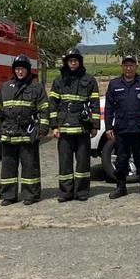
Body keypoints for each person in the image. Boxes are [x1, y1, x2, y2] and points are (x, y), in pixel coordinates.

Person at [0, 54, 49, 205]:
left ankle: (31, 195)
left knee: (30, 166)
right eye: (18, 69)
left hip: (28, 134)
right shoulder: (5, 87)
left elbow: (44, 109)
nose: (20, 72)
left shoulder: (36, 88)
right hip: (9, 133)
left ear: (28, 70)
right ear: (14, 71)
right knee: (8, 166)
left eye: (23, 69)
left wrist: (42, 129)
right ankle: (8, 195)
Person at [48, 48, 101, 202]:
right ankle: (65, 193)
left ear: (79, 62)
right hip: (64, 129)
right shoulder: (58, 81)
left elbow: (95, 104)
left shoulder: (89, 80)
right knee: (65, 163)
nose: (73, 63)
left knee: (83, 162)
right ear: (66, 62)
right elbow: (53, 105)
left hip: (82, 128)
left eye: (75, 60)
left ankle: (82, 191)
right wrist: (54, 127)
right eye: (70, 61)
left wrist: (95, 125)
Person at [103, 54, 140, 199]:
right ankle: (121, 187)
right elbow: (109, 108)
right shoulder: (114, 84)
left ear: (136, 66)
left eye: (131, 65)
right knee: (121, 158)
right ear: (122, 67)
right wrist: (108, 127)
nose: (128, 68)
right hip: (121, 129)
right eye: (126, 65)